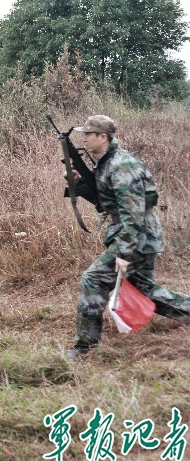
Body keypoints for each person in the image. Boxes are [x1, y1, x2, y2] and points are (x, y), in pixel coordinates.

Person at [67, 115, 190, 359]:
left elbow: (133, 214)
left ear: (103, 137)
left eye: (88, 134)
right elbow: (107, 203)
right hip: (137, 235)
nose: (84, 138)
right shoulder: (106, 162)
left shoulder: (121, 165)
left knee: (92, 279)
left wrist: (123, 252)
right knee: (142, 289)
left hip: (135, 236)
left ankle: (85, 347)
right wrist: (79, 184)